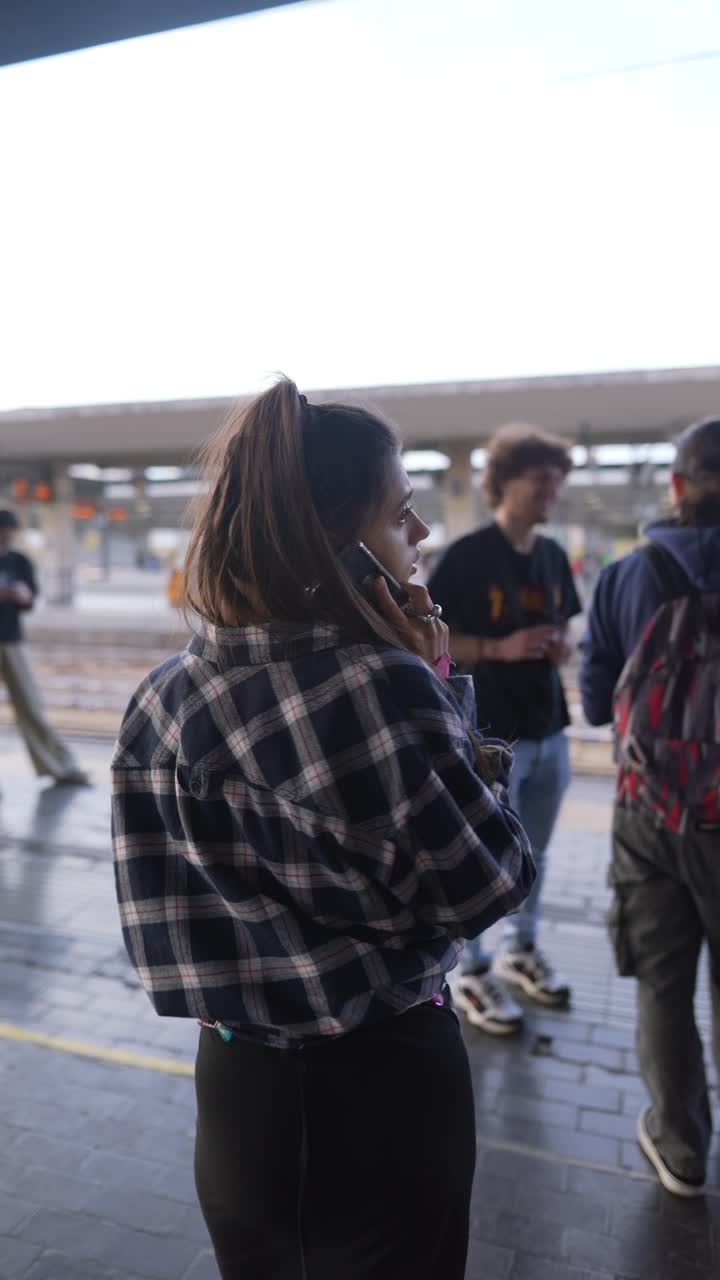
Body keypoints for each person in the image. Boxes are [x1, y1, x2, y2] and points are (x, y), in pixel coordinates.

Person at [111, 379, 535, 1280]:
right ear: (335, 547)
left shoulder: (160, 699)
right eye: (401, 514)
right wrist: (440, 682)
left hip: (236, 1094)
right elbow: (493, 879)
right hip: (385, 1085)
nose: (419, 537)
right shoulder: (383, 689)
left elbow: (159, 919)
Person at [580, 416, 720, 1199]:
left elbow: (599, 705)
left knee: (663, 986)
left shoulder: (630, 575)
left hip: (650, 818)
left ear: (676, 486)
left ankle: (681, 1146)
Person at [427, 425, 581, 1034]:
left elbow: (562, 625)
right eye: (539, 478)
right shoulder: (467, 556)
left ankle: (521, 950)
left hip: (550, 729)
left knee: (533, 856)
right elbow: (430, 643)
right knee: (487, 858)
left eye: (556, 480)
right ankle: (473, 969)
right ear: (504, 483)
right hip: (489, 742)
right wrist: (501, 645)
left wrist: (559, 647)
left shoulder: (550, 556)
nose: (551, 491)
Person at [0, 509, 89, 788]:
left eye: (9, 535)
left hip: (11, 639)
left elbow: (30, 598)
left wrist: (22, 595)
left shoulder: (19, 561)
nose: (6, 539)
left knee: (31, 707)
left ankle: (60, 767)